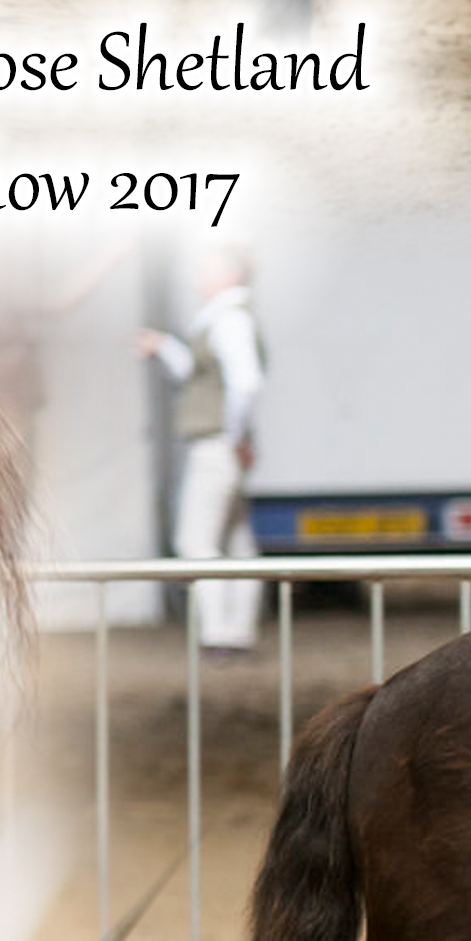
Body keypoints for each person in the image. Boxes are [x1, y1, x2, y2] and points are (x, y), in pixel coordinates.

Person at [137, 244, 266, 653]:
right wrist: (164, 348)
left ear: (230, 273)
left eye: (205, 270)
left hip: (215, 444)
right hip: (224, 442)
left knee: (196, 542)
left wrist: (230, 435)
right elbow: (199, 373)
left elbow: (245, 382)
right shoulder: (221, 319)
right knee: (237, 542)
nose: (197, 280)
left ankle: (219, 633)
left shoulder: (229, 320)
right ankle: (238, 630)